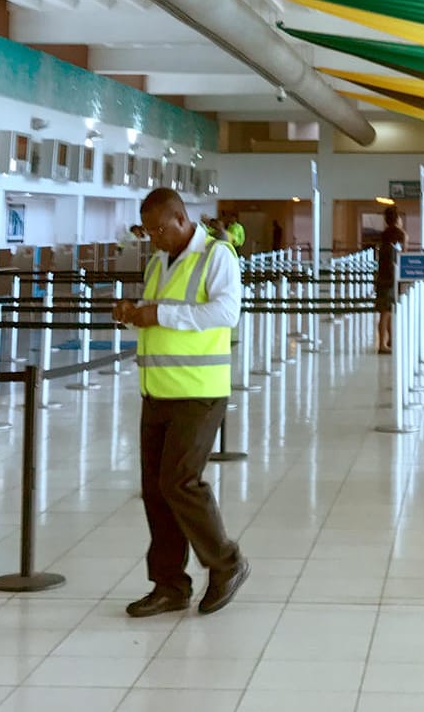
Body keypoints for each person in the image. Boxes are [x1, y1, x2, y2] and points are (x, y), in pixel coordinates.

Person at [111, 187, 250, 619]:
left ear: (180, 219)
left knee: (180, 482)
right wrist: (135, 311)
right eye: (147, 230)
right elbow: (161, 309)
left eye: (157, 229)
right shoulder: (157, 261)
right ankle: (170, 584)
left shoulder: (217, 256)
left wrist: (160, 315)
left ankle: (227, 563)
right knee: (155, 491)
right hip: (157, 391)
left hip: (199, 390)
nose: (152, 237)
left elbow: (227, 313)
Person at [375, 206, 408, 354]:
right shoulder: (401, 234)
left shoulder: (384, 235)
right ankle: (382, 344)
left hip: (382, 276)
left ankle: (389, 341)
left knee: (386, 311)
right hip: (392, 278)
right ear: (397, 219)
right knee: (386, 312)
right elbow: (403, 256)